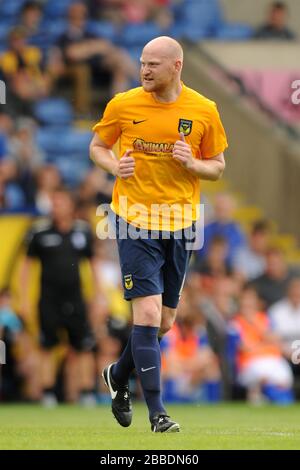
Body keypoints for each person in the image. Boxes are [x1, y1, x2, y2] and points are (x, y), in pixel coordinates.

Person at [90, 36, 227, 432]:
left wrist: (193, 164)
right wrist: (114, 166)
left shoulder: (204, 110)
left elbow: (216, 166)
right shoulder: (124, 103)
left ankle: (117, 375)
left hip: (181, 223)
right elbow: (98, 146)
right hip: (133, 219)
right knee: (146, 314)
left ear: (177, 66)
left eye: (153, 64)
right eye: (142, 63)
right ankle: (158, 412)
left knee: (164, 323)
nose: (144, 70)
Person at [21, 189, 97, 406]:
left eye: (60, 203)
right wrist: (25, 299)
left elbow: (93, 265)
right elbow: (26, 268)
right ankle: (47, 393)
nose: (56, 207)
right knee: (46, 345)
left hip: (76, 297)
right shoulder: (39, 232)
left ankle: (87, 392)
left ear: (71, 206)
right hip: (48, 298)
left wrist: (97, 296)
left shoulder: (83, 231)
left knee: (83, 345)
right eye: (53, 203)